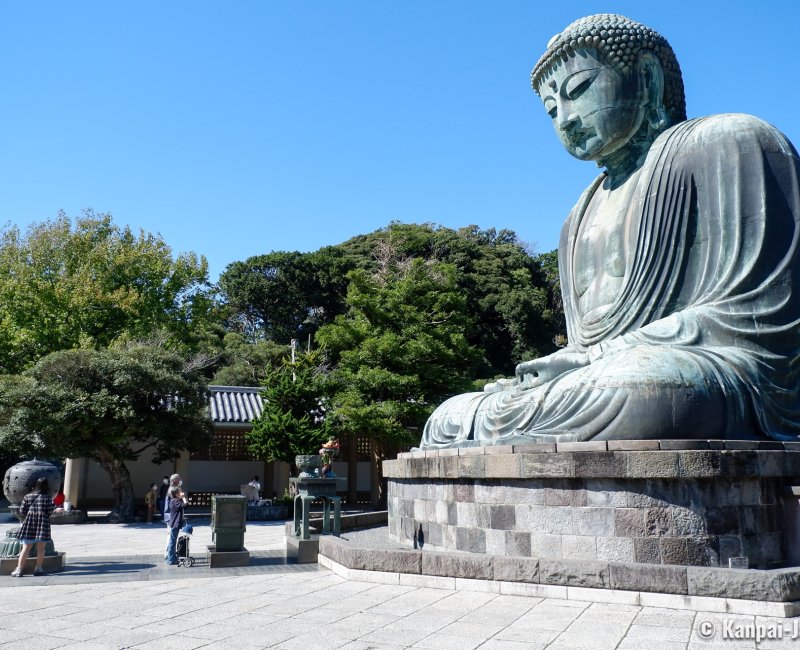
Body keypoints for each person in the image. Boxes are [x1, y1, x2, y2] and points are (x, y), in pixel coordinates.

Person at [421, 14, 800, 447]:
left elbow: (762, 316)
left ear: (646, 78)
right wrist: (572, 362)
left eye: (578, 91)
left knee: (646, 393)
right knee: (449, 416)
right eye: (551, 110)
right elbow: (585, 339)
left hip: (722, 373)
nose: (565, 119)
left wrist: (594, 358)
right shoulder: (578, 215)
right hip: (599, 376)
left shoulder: (731, 141)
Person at [11, 478, 55, 577]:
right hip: (42, 525)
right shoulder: (47, 497)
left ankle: (19, 570)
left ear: (35, 485)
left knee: (25, 548)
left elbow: (22, 511)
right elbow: (50, 511)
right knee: (41, 548)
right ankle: (38, 568)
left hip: (29, 524)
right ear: (46, 486)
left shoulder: (27, 496)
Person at [163, 473, 185, 560]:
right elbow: (172, 505)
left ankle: (169, 554)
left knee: (171, 537)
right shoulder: (173, 489)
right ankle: (168, 554)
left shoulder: (174, 488)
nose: (180, 480)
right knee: (171, 537)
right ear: (175, 480)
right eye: (179, 479)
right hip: (172, 517)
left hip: (172, 517)